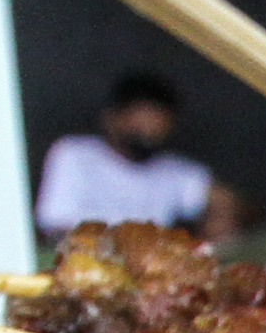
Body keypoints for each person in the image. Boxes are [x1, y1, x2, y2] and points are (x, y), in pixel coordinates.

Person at [32, 71, 221, 243]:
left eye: (156, 128)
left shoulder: (173, 170)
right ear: (112, 118)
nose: (148, 133)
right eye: (139, 125)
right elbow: (54, 226)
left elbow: (227, 204)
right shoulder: (74, 153)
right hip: (85, 262)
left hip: (150, 269)